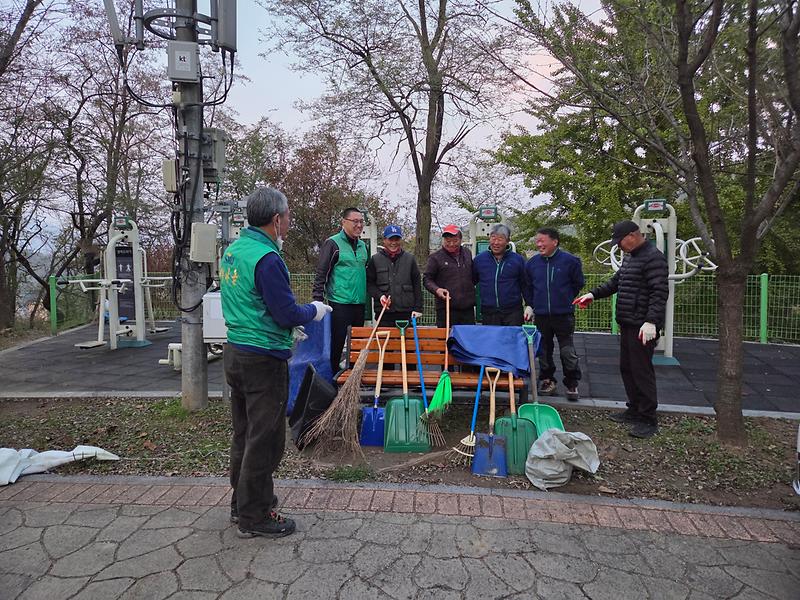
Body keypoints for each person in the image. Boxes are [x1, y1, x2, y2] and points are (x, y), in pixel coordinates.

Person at [220, 187, 332, 538]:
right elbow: (284, 313)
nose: (289, 222)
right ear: (275, 219)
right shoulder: (267, 259)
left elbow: (254, 303)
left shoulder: (235, 250)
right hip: (263, 359)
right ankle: (256, 516)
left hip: (236, 352)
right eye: (287, 216)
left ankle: (243, 501)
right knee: (265, 439)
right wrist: (313, 311)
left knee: (245, 433)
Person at [574, 220, 668, 438]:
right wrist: (593, 294)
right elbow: (617, 282)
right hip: (628, 321)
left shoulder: (653, 258)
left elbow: (659, 292)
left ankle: (648, 417)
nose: (619, 246)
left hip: (643, 325)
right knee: (627, 367)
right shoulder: (631, 257)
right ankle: (634, 408)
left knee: (642, 370)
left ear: (633, 236)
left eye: (620, 242)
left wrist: (652, 321)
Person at [523, 227, 585, 401]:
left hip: (563, 314)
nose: (539, 244)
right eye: (537, 241)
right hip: (541, 314)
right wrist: (530, 305)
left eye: (542, 241)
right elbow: (528, 287)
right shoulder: (532, 263)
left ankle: (572, 382)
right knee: (543, 350)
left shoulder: (570, 261)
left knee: (567, 350)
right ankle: (547, 379)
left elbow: (578, 283)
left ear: (555, 241)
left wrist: (564, 299)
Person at [312, 207, 368, 374]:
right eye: (355, 221)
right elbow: (322, 273)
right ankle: (331, 382)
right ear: (344, 222)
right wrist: (318, 300)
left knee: (357, 346)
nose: (359, 225)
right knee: (336, 345)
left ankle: (353, 381)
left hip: (359, 304)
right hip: (340, 304)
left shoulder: (363, 246)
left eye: (361, 221)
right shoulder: (333, 243)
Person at [366, 224, 423, 326]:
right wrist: (380, 296)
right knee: (385, 342)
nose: (393, 242)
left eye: (397, 239)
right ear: (384, 240)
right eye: (390, 239)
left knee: (406, 342)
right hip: (384, 313)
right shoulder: (375, 260)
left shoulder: (410, 259)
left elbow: (417, 284)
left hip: (406, 312)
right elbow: (370, 284)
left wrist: (418, 308)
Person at [472, 223, 526, 326]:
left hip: (513, 312)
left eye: (500, 239)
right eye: (493, 238)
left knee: (512, 340)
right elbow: (471, 281)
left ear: (507, 241)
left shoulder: (518, 260)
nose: (496, 242)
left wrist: (529, 305)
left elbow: (525, 284)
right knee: (492, 341)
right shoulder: (479, 260)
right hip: (489, 312)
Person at [423, 224, 475, 327]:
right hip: (446, 309)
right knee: (446, 341)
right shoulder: (435, 258)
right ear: (443, 240)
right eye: (448, 241)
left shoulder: (467, 253)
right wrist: (437, 290)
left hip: (467, 309)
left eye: (455, 241)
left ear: (460, 240)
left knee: (467, 341)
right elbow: (427, 279)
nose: (451, 244)